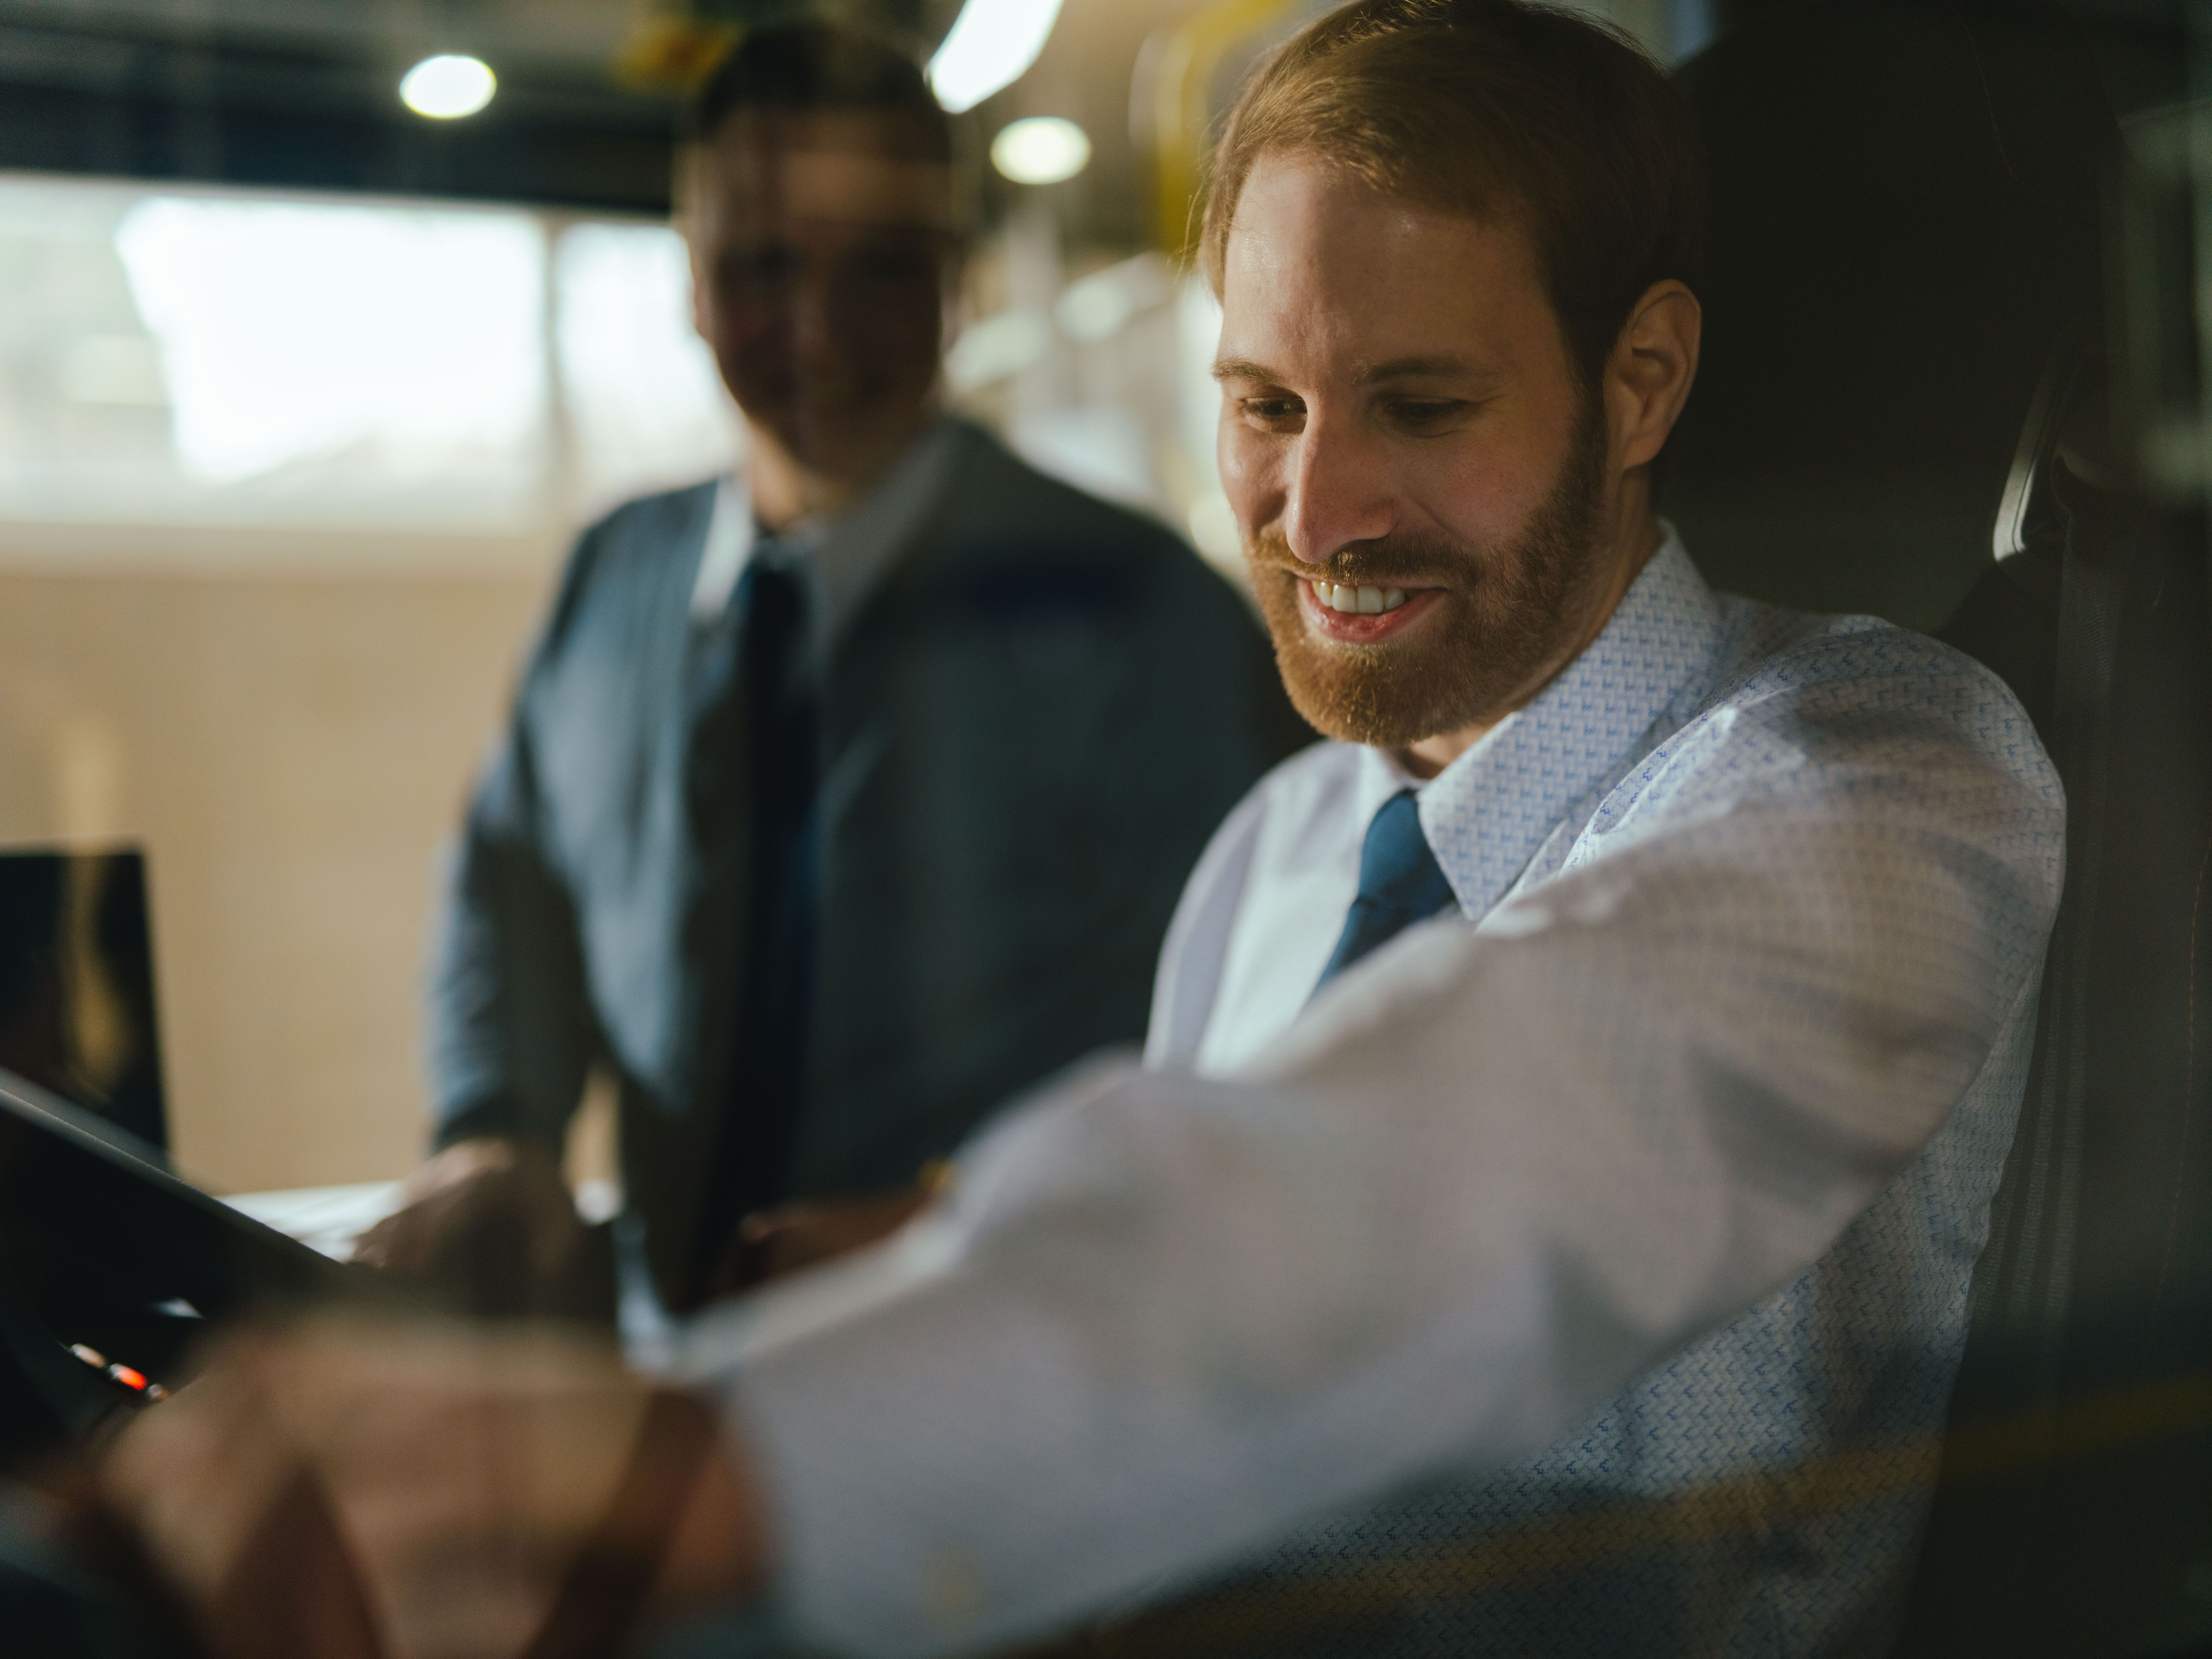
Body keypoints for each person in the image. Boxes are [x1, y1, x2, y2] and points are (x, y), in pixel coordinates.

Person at [102, 3, 2063, 1655]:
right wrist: (941, 1240)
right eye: (1264, 406)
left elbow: (1484, 1132)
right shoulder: (1279, 850)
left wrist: (720, 1461)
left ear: (1638, 381)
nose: (1317, 511)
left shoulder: (1881, 767)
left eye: (1418, 402)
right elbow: (1217, 1193)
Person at [355, 23, 1304, 1317]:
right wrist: (496, 1130)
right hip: (666, 1385)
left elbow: (1248, 1041)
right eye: (760, 267)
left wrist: (953, 1218)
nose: (816, 327)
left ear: (955, 280)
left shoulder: (1140, 614)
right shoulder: (612, 575)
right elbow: (512, 883)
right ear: (688, 281)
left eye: (879, 268)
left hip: (987, 1366)